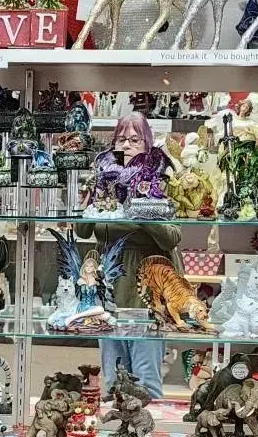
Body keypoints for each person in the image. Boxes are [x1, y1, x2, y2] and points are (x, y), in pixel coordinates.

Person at [77, 113, 182, 399]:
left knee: (146, 381)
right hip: (108, 284)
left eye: (134, 139)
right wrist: (92, 194)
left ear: (147, 143)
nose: (126, 146)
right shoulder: (103, 179)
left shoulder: (158, 181)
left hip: (145, 287)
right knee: (111, 379)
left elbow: (172, 237)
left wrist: (141, 210)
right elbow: (83, 228)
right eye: (121, 139)